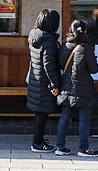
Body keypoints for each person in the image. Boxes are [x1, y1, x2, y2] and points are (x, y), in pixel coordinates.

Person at [54, 20, 98, 157]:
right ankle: (83, 148)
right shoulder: (85, 48)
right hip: (84, 89)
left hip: (67, 87)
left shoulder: (64, 47)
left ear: (70, 30)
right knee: (84, 119)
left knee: (64, 118)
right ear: (85, 31)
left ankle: (60, 147)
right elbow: (94, 69)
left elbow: (61, 65)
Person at [26, 9, 61, 153]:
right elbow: (49, 65)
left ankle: (38, 140)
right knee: (42, 112)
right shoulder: (49, 41)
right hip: (44, 81)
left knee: (39, 111)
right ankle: (38, 143)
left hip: (35, 78)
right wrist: (55, 84)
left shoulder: (34, 35)